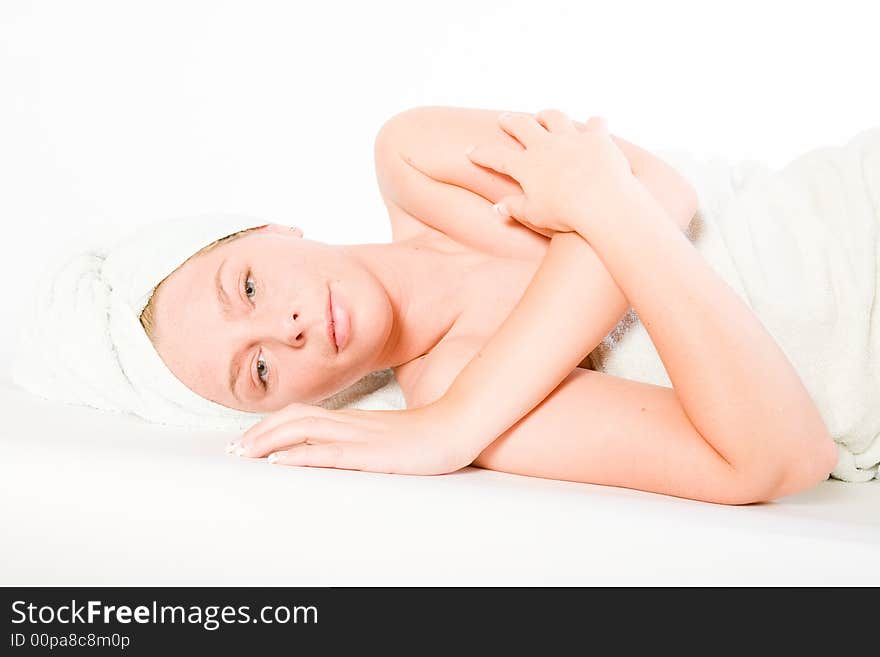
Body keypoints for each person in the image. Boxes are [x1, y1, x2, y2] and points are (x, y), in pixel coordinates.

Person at [139, 106, 839, 505]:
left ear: (271, 230)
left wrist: (457, 425)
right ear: (292, 408)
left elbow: (659, 187)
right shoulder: (453, 390)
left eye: (249, 286)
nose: (284, 329)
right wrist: (594, 205)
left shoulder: (413, 163)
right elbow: (779, 457)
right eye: (257, 369)